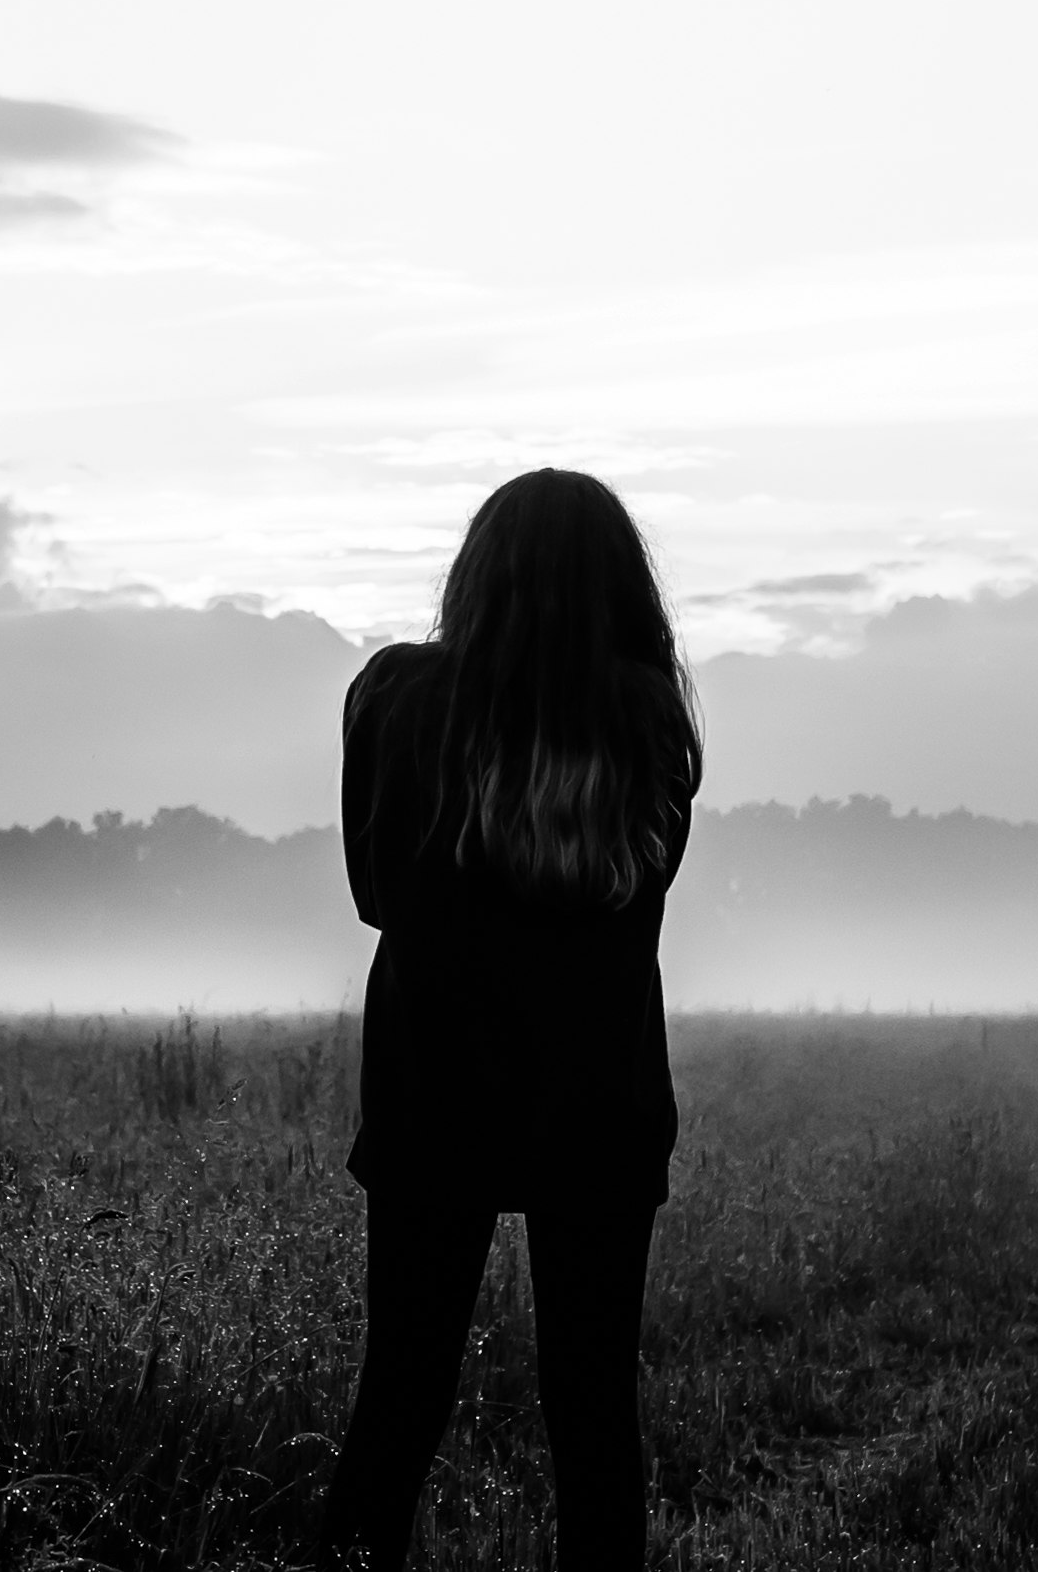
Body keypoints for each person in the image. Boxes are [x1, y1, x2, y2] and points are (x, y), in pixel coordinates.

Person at [313, 468, 701, 1571]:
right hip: (600, 1100)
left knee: (400, 1392)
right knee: (592, 1410)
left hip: (434, 1090)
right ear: (623, 585)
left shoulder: (393, 698)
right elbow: (648, 879)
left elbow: (374, 895)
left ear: (474, 573)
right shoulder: (649, 715)